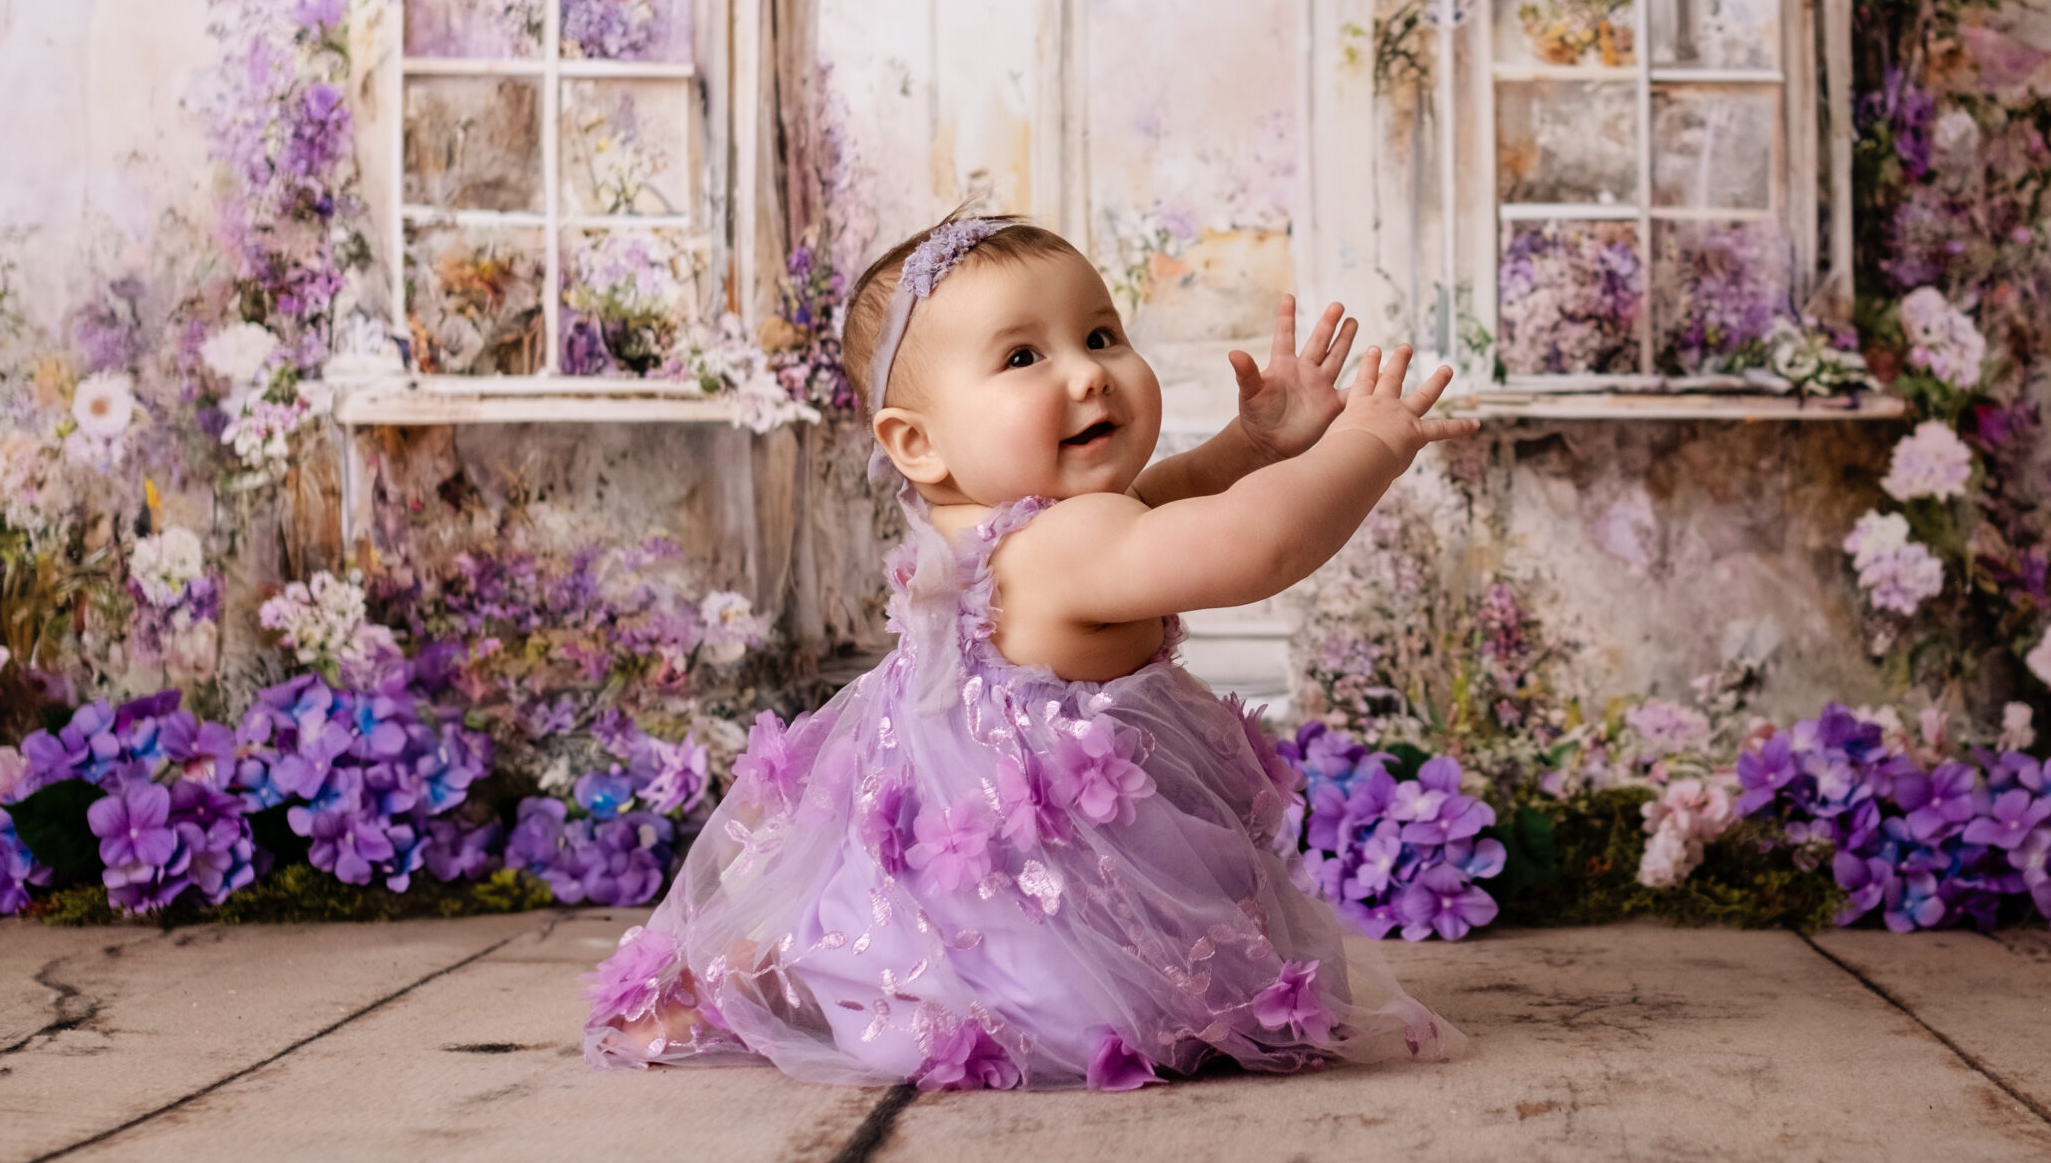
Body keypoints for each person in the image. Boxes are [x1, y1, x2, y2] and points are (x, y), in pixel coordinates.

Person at [582, 215, 1477, 1090]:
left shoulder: (1030, 527)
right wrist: (1369, 442)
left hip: (990, 876)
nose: (1088, 372)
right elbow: (1255, 546)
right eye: (1023, 357)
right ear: (918, 444)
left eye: (1101, 333)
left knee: (890, 940)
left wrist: (1250, 446)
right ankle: (783, 976)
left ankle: (784, 969)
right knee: (1089, 998)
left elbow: (1159, 501)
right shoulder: (1062, 549)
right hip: (1039, 924)